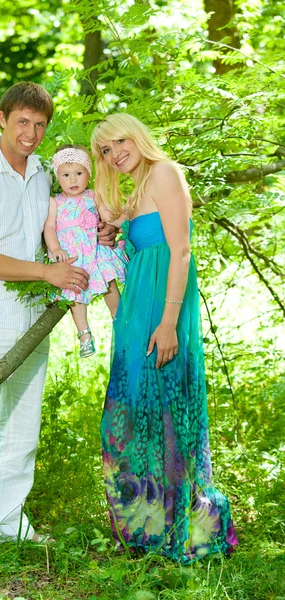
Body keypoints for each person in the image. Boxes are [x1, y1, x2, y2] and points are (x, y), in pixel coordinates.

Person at [0, 82, 116, 558]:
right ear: (1, 118)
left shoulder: (45, 174)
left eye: (40, 124)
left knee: (22, 429)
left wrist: (97, 233)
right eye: (22, 121)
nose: (31, 133)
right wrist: (48, 272)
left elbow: (65, 225)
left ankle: (11, 526)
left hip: (34, 316)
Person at [91, 113, 238, 563]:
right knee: (134, 412)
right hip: (137, 314)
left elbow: (180, 251)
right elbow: (146, 247)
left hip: (165, 313)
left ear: (137, 135)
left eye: (119, 141)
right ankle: (147, 526)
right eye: (105, 151)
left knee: (169, 413)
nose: (115, 153)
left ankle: (183, 527)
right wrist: (115, 234)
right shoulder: (135, 190)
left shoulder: (165, 173)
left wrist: (170, 322)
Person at [43, 144, 127, 358]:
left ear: (88, 174)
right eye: (66, 175)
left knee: (109, 284)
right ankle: (84, 335)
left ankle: (120, 321)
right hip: (74, 256)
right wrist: (55, 248)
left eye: (79, 173)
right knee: (75, 294)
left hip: (95, 251)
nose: (73, 180)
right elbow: (50, 227)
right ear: (57, 177)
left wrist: (125, 222)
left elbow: (109, 216)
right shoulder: (55, 202)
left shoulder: (93, 196)